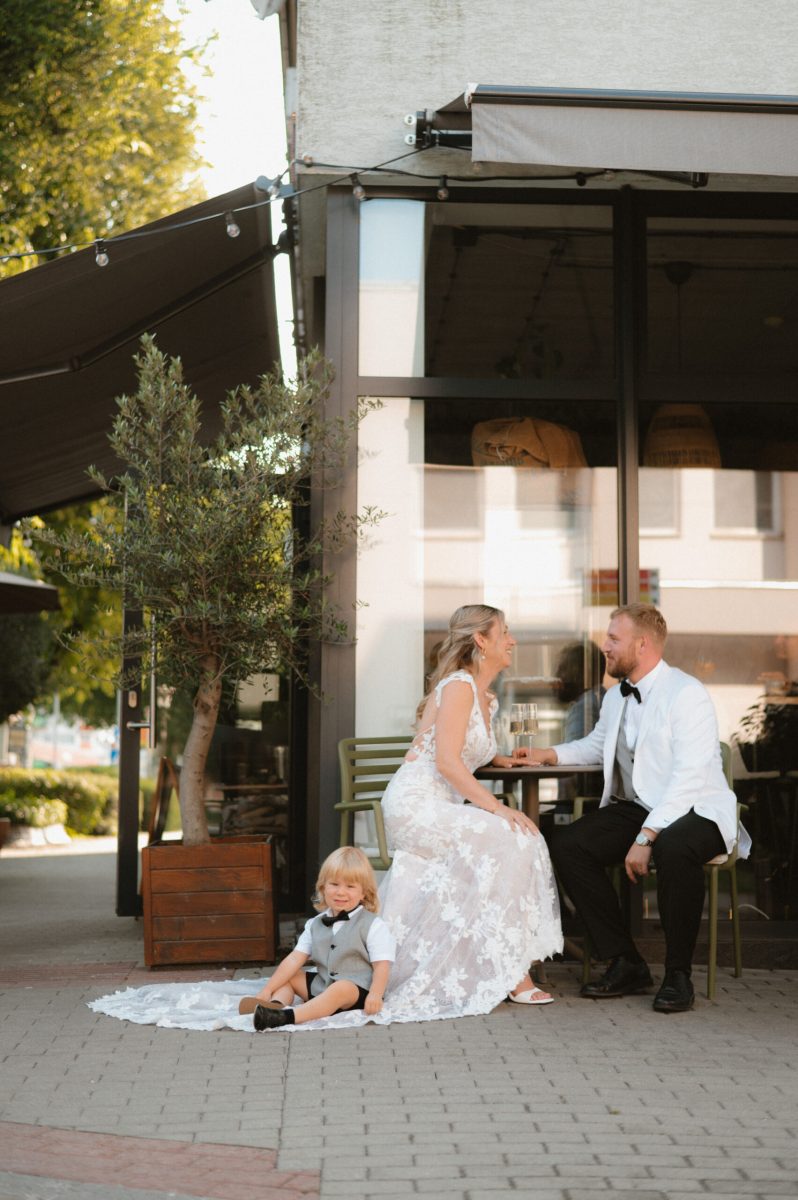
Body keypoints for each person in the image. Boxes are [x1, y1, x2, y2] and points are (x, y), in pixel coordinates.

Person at [522, 603, 750, 1014]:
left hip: (698, 807)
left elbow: (689, 777)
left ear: (642, 644)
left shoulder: (687, 694)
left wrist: (647, 836)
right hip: (643, 804)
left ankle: (678, 975)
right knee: (570, 844)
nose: (604, 647)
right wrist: (547, 754)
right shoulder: (616, 697)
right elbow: (596, 745)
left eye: (613, 639)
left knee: (674, 847)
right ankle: (625, 960)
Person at [375, 603, 563, 1019]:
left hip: (441, 804)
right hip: (415, 803)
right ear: (481, 640)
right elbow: (445, 761)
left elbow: (464, 747)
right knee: (513, 836)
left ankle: (503, 963)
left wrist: (498, 759)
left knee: (520, 840)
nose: (512, 640)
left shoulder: (485, 697)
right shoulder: (458, 686)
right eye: (504, 632)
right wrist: (497, 808)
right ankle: (513, 973)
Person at [238, 846, 396, 1031]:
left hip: (356, 991)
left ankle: (287, 1017)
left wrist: (375, 994)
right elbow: (295, 958)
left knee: (341, 988)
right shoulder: (314, 924)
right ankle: (274, 1006)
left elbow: (381, 966)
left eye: (350, 886)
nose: (340, 892)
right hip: (323, 985)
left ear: (364, 893)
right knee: (290, 975)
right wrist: (268, 989)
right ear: (323, 887)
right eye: (334, 884)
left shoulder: (373, 925)